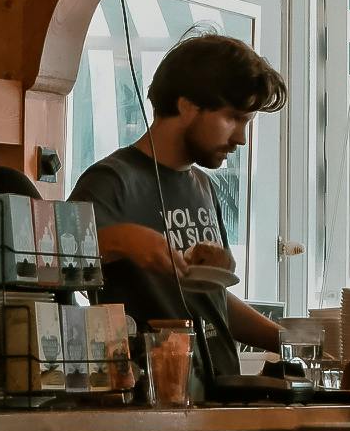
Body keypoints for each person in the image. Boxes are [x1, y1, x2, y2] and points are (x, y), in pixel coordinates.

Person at [70, 34, 286, 396]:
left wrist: (286, 339)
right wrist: (124, 239)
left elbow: (211, 301)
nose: (242, 139)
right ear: (187, 105)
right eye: (234, 118)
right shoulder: (111, 181)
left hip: (217, 397)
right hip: (148, 403)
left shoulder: (202, 186)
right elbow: (59, 264)